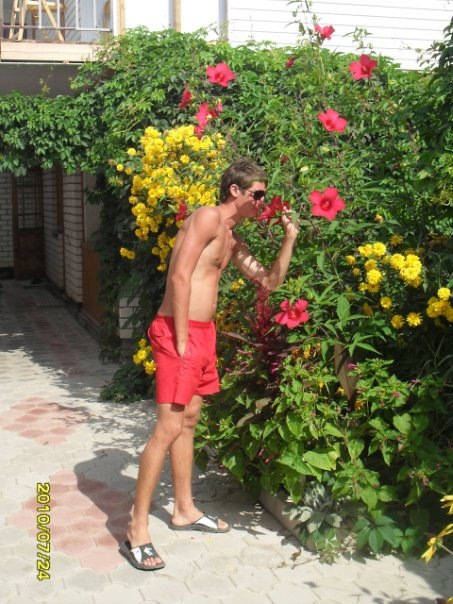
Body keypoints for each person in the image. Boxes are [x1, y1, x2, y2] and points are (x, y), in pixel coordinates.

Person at [120, 157, 299, 570]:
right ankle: (136, 529)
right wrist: (182, 339)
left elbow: (269, 281)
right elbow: (179, 276)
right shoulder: (206, 218)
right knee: (167, 428)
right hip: (178, 330)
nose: (263, 202)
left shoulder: (232, 239)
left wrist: (289, 238)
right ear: (235, 190)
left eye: (265, 195)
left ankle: (183, 509)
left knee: (189, 421)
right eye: (258, 194)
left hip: (203, 334)